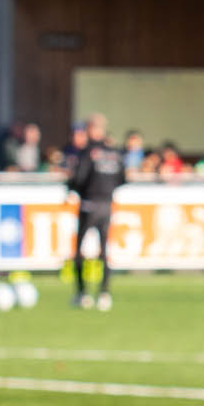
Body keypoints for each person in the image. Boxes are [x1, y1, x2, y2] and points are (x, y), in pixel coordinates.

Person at [66, 114, 123, 310]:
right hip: (107, 205)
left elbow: (79, 177)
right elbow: (122, 178)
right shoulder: (114, 152)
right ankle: (105, 294)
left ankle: (82, 294)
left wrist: (71, 188)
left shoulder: (88, 152)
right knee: (104, 251)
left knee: (79, 251)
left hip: (89, 205)